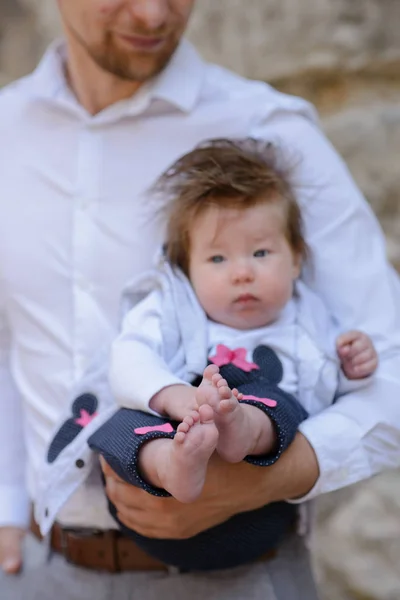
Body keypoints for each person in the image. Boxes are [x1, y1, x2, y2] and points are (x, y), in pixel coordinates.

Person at [0, 1, 399, 599]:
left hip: (240, 575)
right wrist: (7, 505)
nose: (155, 13)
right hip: (42, 573)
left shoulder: (267, 129)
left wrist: (270, 477)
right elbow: (15, 336)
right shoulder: (8, 131)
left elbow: (391, 363)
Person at [86, 138, 378, 571]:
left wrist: (353, 366)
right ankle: (172, 464)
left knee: (277, 401)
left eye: (261, 253)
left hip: (252, 517)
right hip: (152, 504)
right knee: (120, 422)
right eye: (218, 258)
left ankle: (239, 427)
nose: (243, 272)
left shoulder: (310, 317)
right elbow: (127, 356)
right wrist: (172, 396)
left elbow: (330, 386)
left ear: (296, 259)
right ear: (187, 270)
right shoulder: (172, 309)